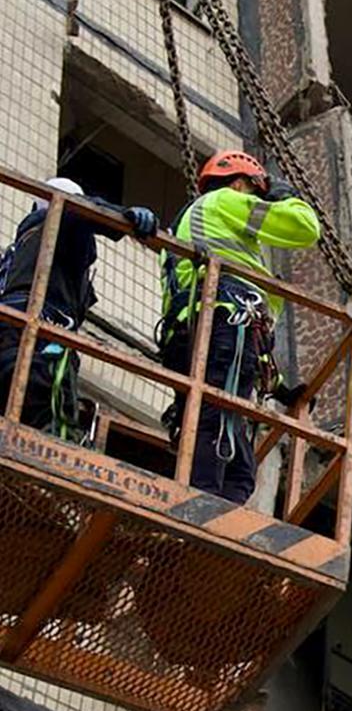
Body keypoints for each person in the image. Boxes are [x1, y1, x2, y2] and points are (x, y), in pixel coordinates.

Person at [158, 150, 320, 504]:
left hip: (200, 334)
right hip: (225, 323)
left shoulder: (191, 226)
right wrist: (280, 193)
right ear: (238, 183)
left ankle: (223, 511)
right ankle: (202, 507)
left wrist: (278, 387)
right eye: (253, 193)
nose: (255, 202)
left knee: (233, 446)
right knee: (217, 423)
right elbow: (305, 228)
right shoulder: (226, 200)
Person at [0, 177, 158, 439]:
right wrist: (123, 218)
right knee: (52, 425)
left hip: (11, 340)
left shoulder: (17, 254)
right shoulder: (56, 221)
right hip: (42, 337)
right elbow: (78, 210)